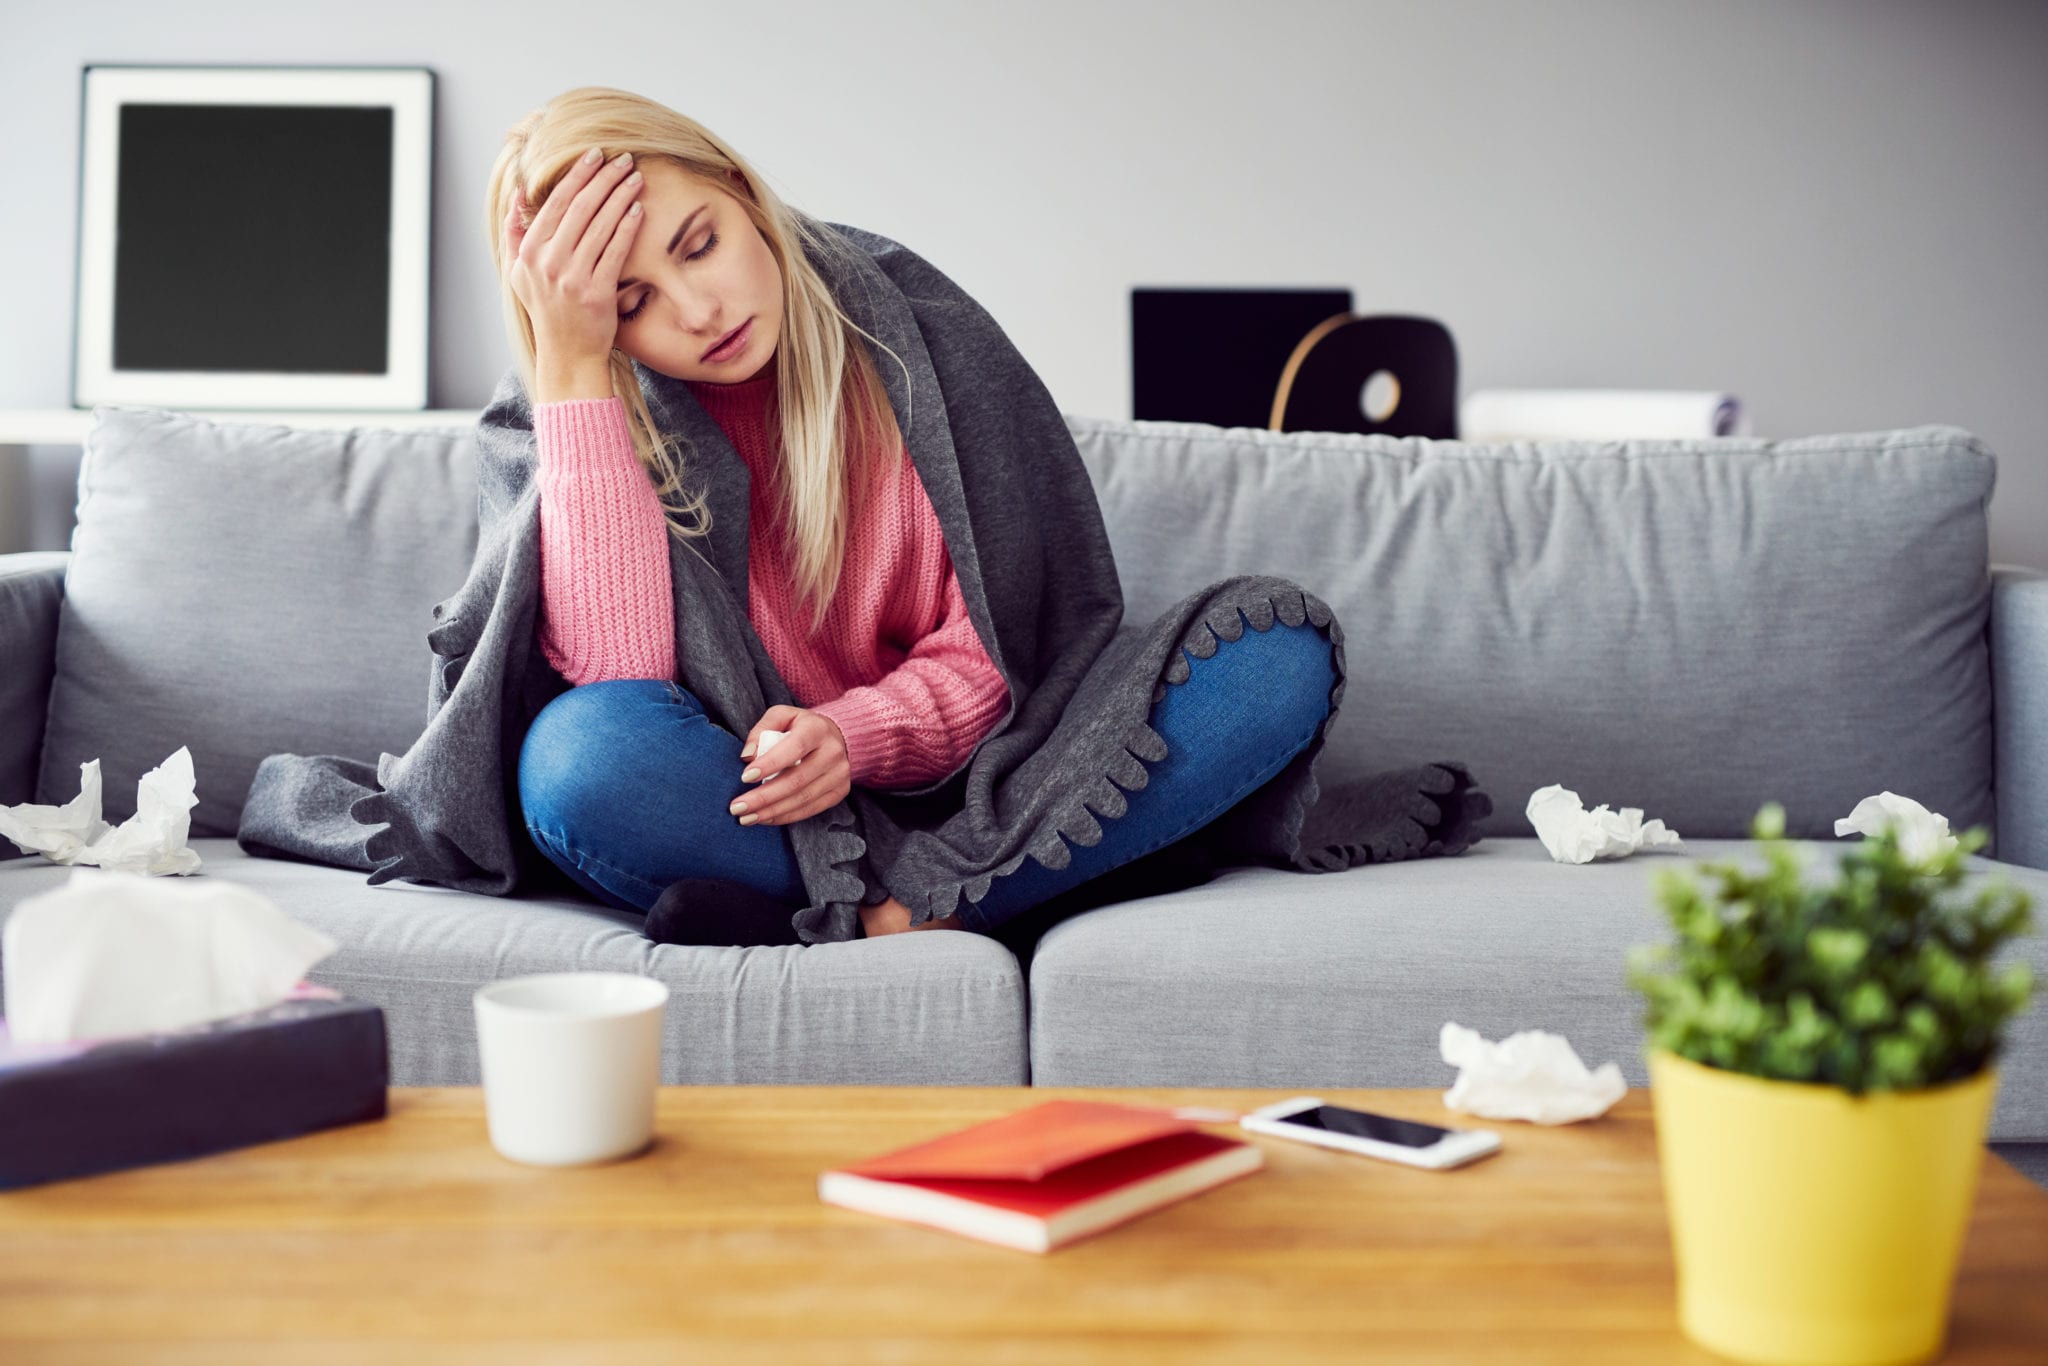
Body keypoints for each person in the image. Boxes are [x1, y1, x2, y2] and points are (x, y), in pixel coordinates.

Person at [490, 87, 1483, 946]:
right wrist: (576, 374)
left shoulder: (913, 329)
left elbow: (1002, 650)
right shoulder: (583, 414)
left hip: (1010, 767)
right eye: (630, 305)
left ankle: (892, 912)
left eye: (697, 245)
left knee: (1276, 646)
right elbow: (626, 688)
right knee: (579, 758)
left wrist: (852, 734)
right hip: (763, 805)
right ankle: (1041, 881)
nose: (695, 310)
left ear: (743, 193)